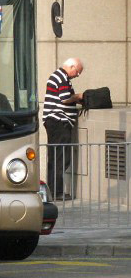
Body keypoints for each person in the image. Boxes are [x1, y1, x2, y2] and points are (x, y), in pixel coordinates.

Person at [43, 57, 84, 199]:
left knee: (55, 157)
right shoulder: (62, 77)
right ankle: (57, 192)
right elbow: (65, 98)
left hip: (55, 121)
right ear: (71, 66)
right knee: (60, 157)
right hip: (59, 121)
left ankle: (53, 190)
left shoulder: (59, 76)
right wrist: (78, 96)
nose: (78, 75)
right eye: (77, 71)